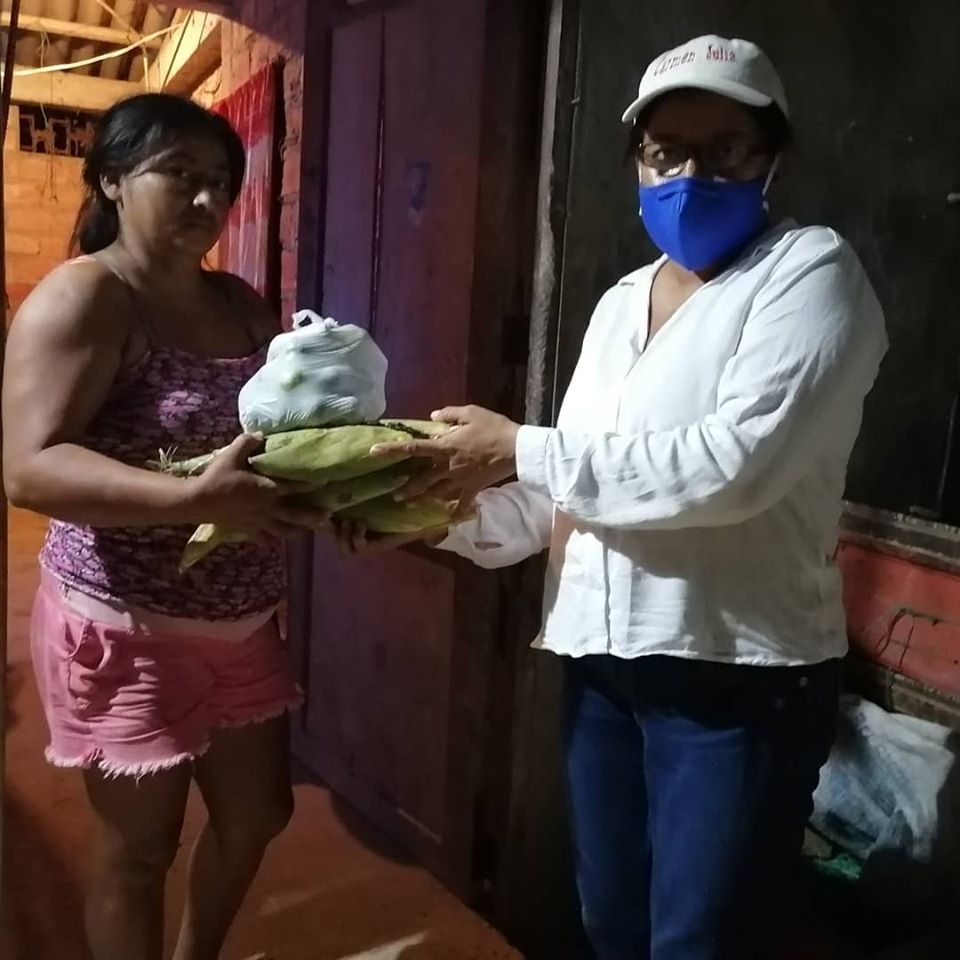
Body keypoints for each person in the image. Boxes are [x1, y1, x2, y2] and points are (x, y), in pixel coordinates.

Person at [362, 35, 888, 960]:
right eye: (665, 152)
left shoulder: (810, 274)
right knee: (612, 926)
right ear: (638, 160)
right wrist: (419, 509)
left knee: (701, 943)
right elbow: (572, 496)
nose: (690, 175)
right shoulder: (619, 305)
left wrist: (515, 446)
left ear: (774, 159)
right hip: (602, 669)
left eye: (725, 150)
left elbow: (733, 466)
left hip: (734, 678)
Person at [2, 94, 324, 960]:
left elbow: (281, 434)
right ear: (112, 179)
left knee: (260, 814)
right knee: (139, 852)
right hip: (123, 624)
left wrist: (341, 490)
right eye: (178, 174)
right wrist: (192, 502)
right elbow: (27, 467)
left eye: (219, 181)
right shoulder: (86, 297)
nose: (206, 199)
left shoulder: (239, 302)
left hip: (241, 622)